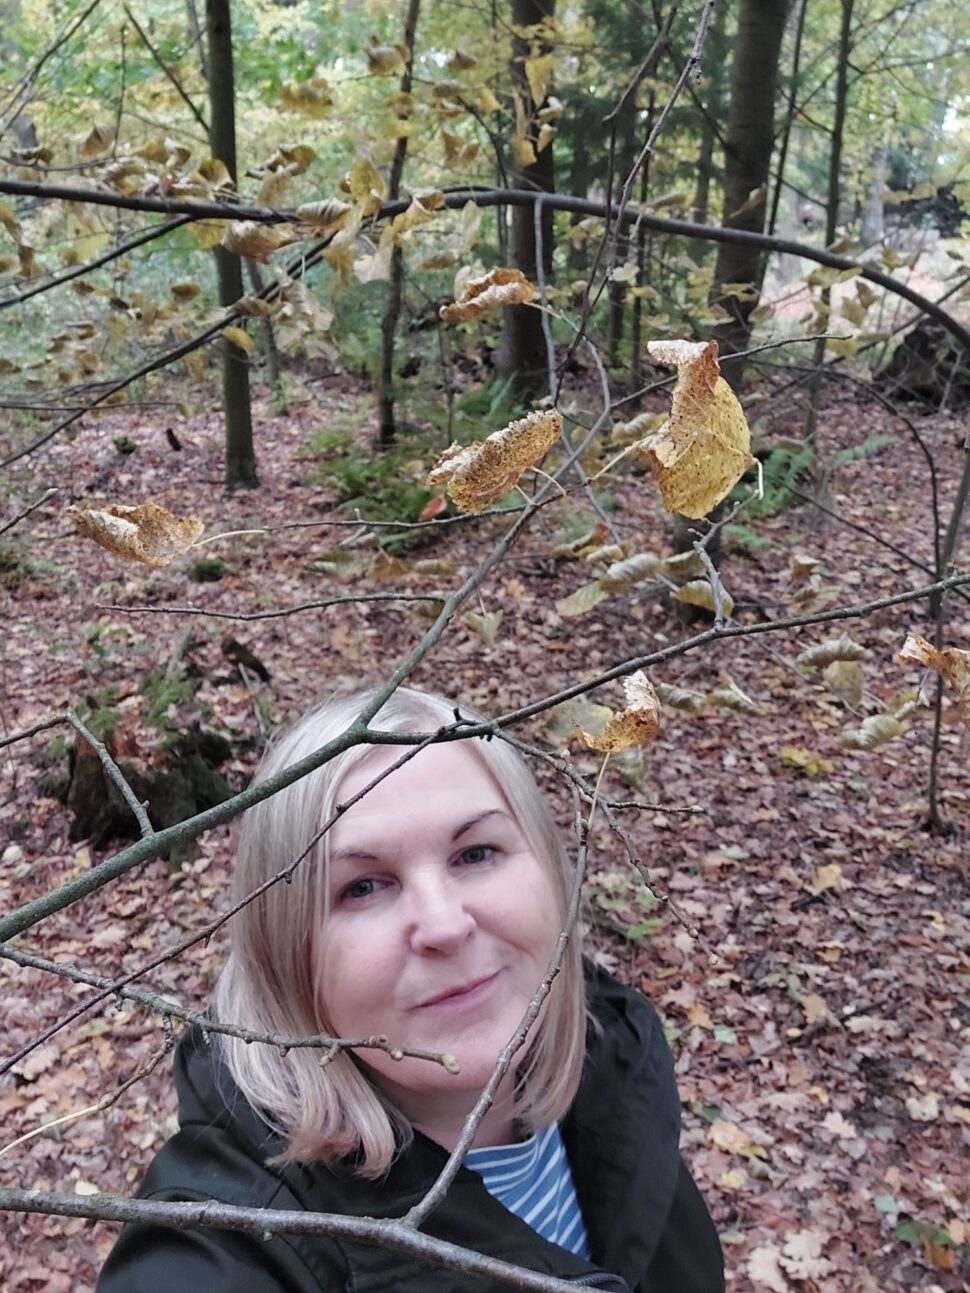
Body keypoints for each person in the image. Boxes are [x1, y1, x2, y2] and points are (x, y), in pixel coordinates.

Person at [98, 688, 724, 1293]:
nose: (445, 926)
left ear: (552, 874)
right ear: (284, 951)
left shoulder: (618, 1072)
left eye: (476, 853)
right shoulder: (224, 1245)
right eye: (362, 887)